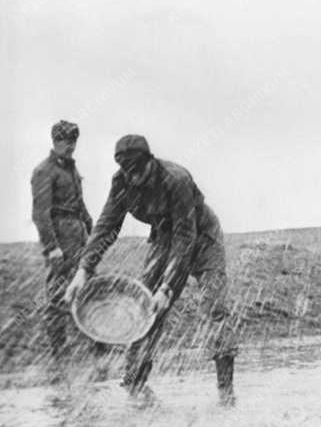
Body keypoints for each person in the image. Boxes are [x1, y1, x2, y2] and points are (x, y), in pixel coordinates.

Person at [64, 135, 237, 400]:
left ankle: (225, 391)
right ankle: (135, 383)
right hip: (164, 236)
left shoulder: (175, 179)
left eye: (138, 171)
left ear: (150, 162)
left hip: (201, 235)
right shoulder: (122, 182)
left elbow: (185, 237)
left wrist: (167, 287)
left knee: (214, 307)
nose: (133, 178)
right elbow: (106, 227)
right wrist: (82, 271)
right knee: (145, 306)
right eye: (128, 172)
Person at [31, 120, 94, 358]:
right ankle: (59, 350)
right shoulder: (43, 171)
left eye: (73, 142)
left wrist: (92, 227)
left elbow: (79, 203)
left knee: (87, 285)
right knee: (57, 293)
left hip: (79, 236)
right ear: (55, 141)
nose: (71, 147)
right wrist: (51, 247)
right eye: (66, 142)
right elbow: (40, 213)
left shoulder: (71, 169)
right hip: (60, 237)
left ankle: (95, 342)